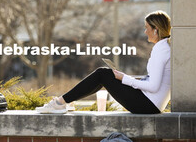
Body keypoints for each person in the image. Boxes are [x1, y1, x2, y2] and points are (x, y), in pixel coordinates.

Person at [37, 10, 171, 114]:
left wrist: (125, 78)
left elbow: (153, 86)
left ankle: (60, 103)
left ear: (156, 30)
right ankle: (66, 101)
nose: (145, 31)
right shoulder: (164, 47)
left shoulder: (161, 49)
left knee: (102, 74)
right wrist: (127, 78)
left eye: (147, 28)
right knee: (105, 76)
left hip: (148, 104)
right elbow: (153, 81)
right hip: (150, 102)